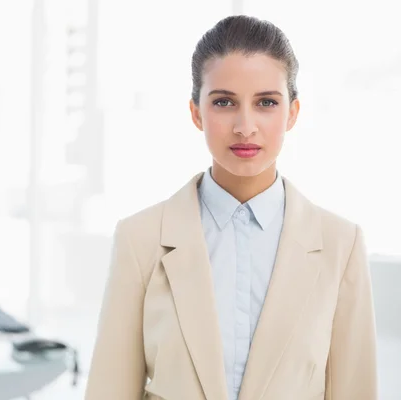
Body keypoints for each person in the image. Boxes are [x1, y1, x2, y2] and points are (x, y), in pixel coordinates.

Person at [84, 15, 378, 400]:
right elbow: (109, 391)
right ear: (196, 112)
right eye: (224, 102)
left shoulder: (341, 245)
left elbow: (355, 391)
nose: (245, 126)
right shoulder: (140, 239)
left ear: (292, 113)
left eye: (266, 103)